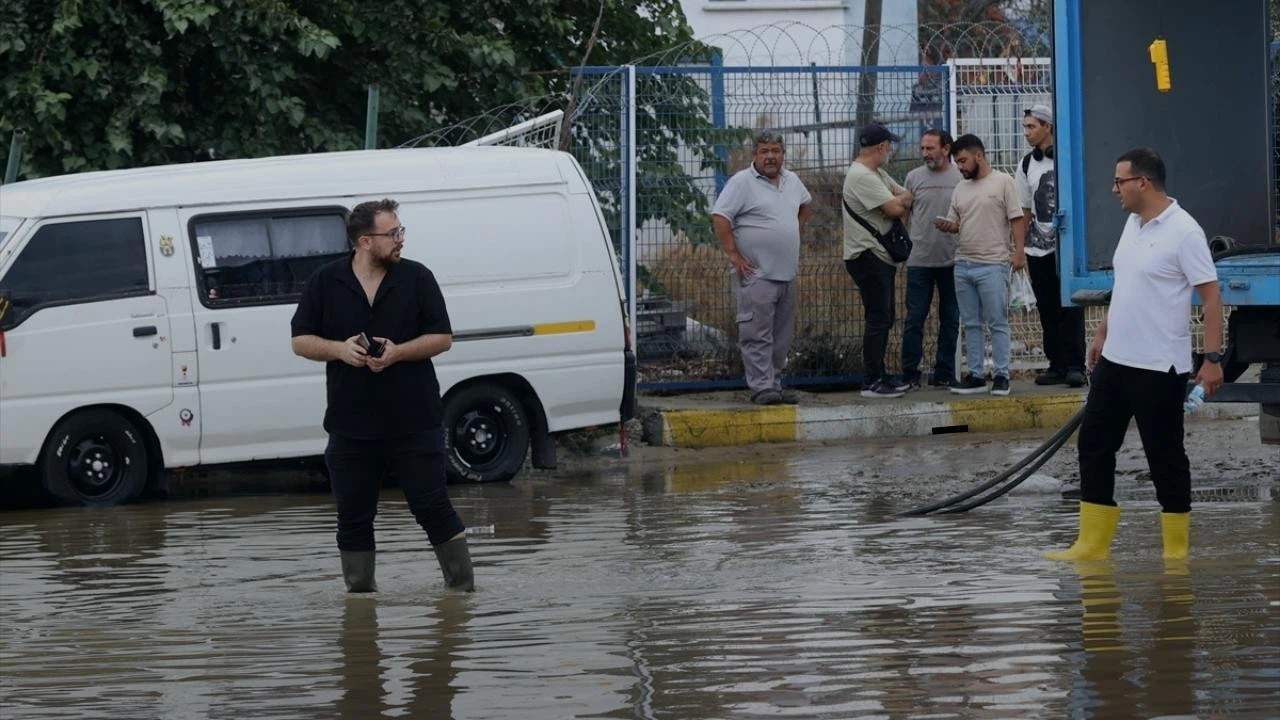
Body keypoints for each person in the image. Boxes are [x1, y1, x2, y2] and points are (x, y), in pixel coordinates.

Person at [1046, 147, 1222, 563]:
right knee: (1093, 444)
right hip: (1117, 361)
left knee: (1164, 456)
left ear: (1142, 182)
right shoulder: (1132, 223)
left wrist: (1212, 358)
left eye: (1119, 181)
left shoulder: (1184, 230)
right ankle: (1091, 544)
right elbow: (1124, 284)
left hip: (1159, 366)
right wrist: (1103, 332)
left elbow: (1211, 297)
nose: (1114, 189)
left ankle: (1176, 551)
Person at [290, 198, 474, 593]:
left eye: (400, 231)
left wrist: (398, 352)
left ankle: (461, 597)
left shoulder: (418, 278)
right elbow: (300, 341)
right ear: (364, 241)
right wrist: (339, 349)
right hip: (350, 426)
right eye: (392, 233)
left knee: (432, 508)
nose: (400, 240)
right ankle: (360, 607)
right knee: (353, 517)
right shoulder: (326, 281)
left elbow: (443, 338)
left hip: (414, 420)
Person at [712, 130, 813, 405]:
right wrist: (733, 254)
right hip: (756, 274)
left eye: (776, 151)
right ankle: (760, 388)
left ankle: (774, 385)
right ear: (754, 154)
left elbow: (806, 205)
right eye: (765, 151)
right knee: (756, 334)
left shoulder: (792, 180)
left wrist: (793, 229)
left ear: (783, 154)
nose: (771, 157)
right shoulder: (741, 182)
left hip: (786, 273)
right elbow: (721, 217)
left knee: (781, 336)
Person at [935, 134, 1027, 396]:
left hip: (993, 264)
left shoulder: (1003, 182)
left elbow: (1016, 219)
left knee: (997, 322)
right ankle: (975, 375)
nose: (960, 167)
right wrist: (947, 225)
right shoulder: (960, 188)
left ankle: (1001, 376)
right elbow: (956, 221)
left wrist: (1019, 253)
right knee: (971, 323)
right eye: (957, 162)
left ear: (979, 155)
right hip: (963, 264)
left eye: (963, 161)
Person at [1016, 104, 1087, 388]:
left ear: (1048, 127)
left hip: (1066, 246)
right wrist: (1019, 247)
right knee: (1047, 307)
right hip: (1038, 248)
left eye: (1032, 127)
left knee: (1070, 305)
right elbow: (1023, 209)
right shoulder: (1026, 165)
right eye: (1025, 127)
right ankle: (1055, 364)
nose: (1026, 133)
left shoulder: (1068, 158)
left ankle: (1075, 365)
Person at [843, 122, 914, 398]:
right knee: (878, 318)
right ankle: (872, 380)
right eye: (889, 146)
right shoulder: (862, 176)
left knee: (885, 317)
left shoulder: (876, 173)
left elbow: (902, 196)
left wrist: (900, 202)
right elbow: (897, 206)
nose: (891, 151)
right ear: (882, 147)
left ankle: (880, 374)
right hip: (867, 255)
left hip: (879, 256)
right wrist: (900, 203)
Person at [900, 128, 962, 390]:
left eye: (930, 148)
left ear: (946, 149)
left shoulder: (961, 176)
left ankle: (944, 372)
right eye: (922, 148)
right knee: (915, 319)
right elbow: (904, 213)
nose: (925, 153)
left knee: (950, 319)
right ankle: (910, 373)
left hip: (953, 261)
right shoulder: (913, 178)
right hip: (919, 261)